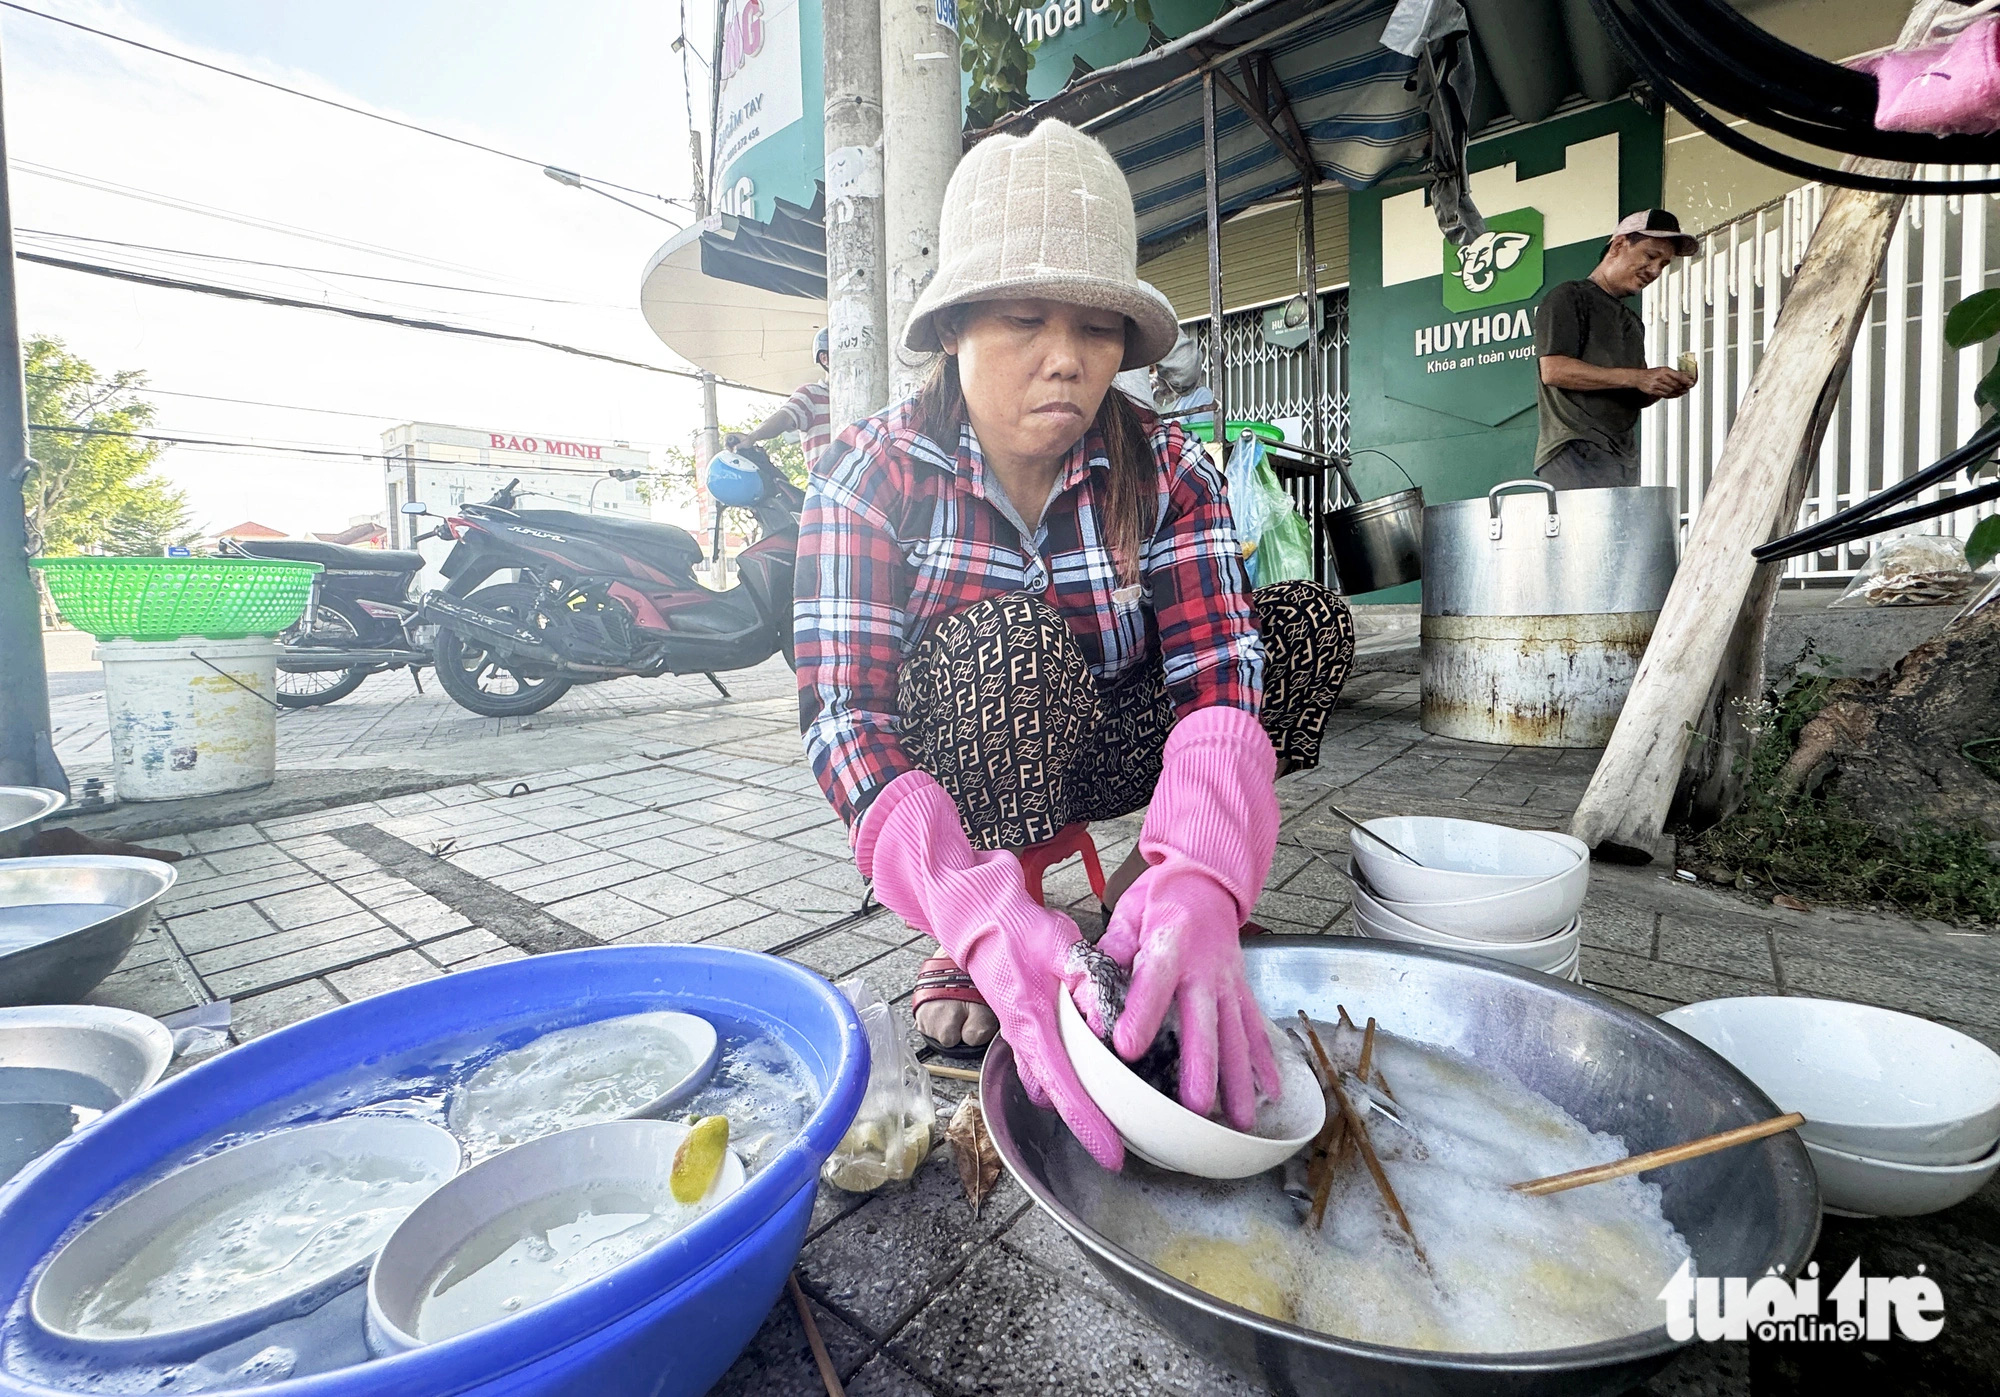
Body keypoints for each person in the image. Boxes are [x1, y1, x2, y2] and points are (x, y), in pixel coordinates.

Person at [794, 120, 1357, 1170]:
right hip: (976, 746)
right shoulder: (868, 477)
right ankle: (993, 927)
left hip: (1112, 736)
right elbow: (844, 719)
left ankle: (1154, 908)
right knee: (999, 647)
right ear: (955, 326)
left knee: (1304, 626)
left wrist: (1200, 867)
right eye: (1022, 319)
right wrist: (975, 908)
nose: (1066, 359)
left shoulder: (1170, 469)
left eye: (1096, 329)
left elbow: (1215, 675)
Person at [1533, 209, 1699, 489]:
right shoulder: (1569, 296)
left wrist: (1661, 387)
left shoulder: (1633, 321)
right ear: (1619, 245)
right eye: (1650, 256)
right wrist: (1640, 378)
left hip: (1621, 455)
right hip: (1575, 448)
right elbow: (1554, 370)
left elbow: (1630, 392)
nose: (1656, 270)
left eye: (1664, 264)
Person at [726, 328, 831, 467]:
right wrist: (753, 436)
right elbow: (784, 418)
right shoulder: (811, 395)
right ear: (824, 358)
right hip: (827, 487)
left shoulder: (868, 400)